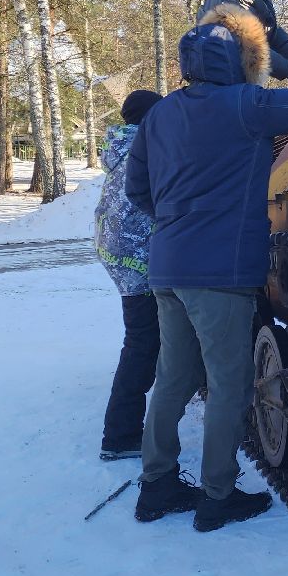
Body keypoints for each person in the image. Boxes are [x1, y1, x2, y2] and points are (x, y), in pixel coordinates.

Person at [126, 6, 288, 533]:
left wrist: (179, 223)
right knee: (231, 385)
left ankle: (157, 485)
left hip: (167, 266)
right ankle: (218, 495)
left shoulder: (160, 116)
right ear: (237, 61)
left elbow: (139, 192)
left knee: (173, 378)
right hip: (218, 270)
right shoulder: (244, 104)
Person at [95, 90, 164, 461]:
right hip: (141, 260)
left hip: (123, 257)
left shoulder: (123, 146)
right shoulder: (150, 147)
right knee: (142, 345)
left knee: (145, 340)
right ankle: (120, 436)